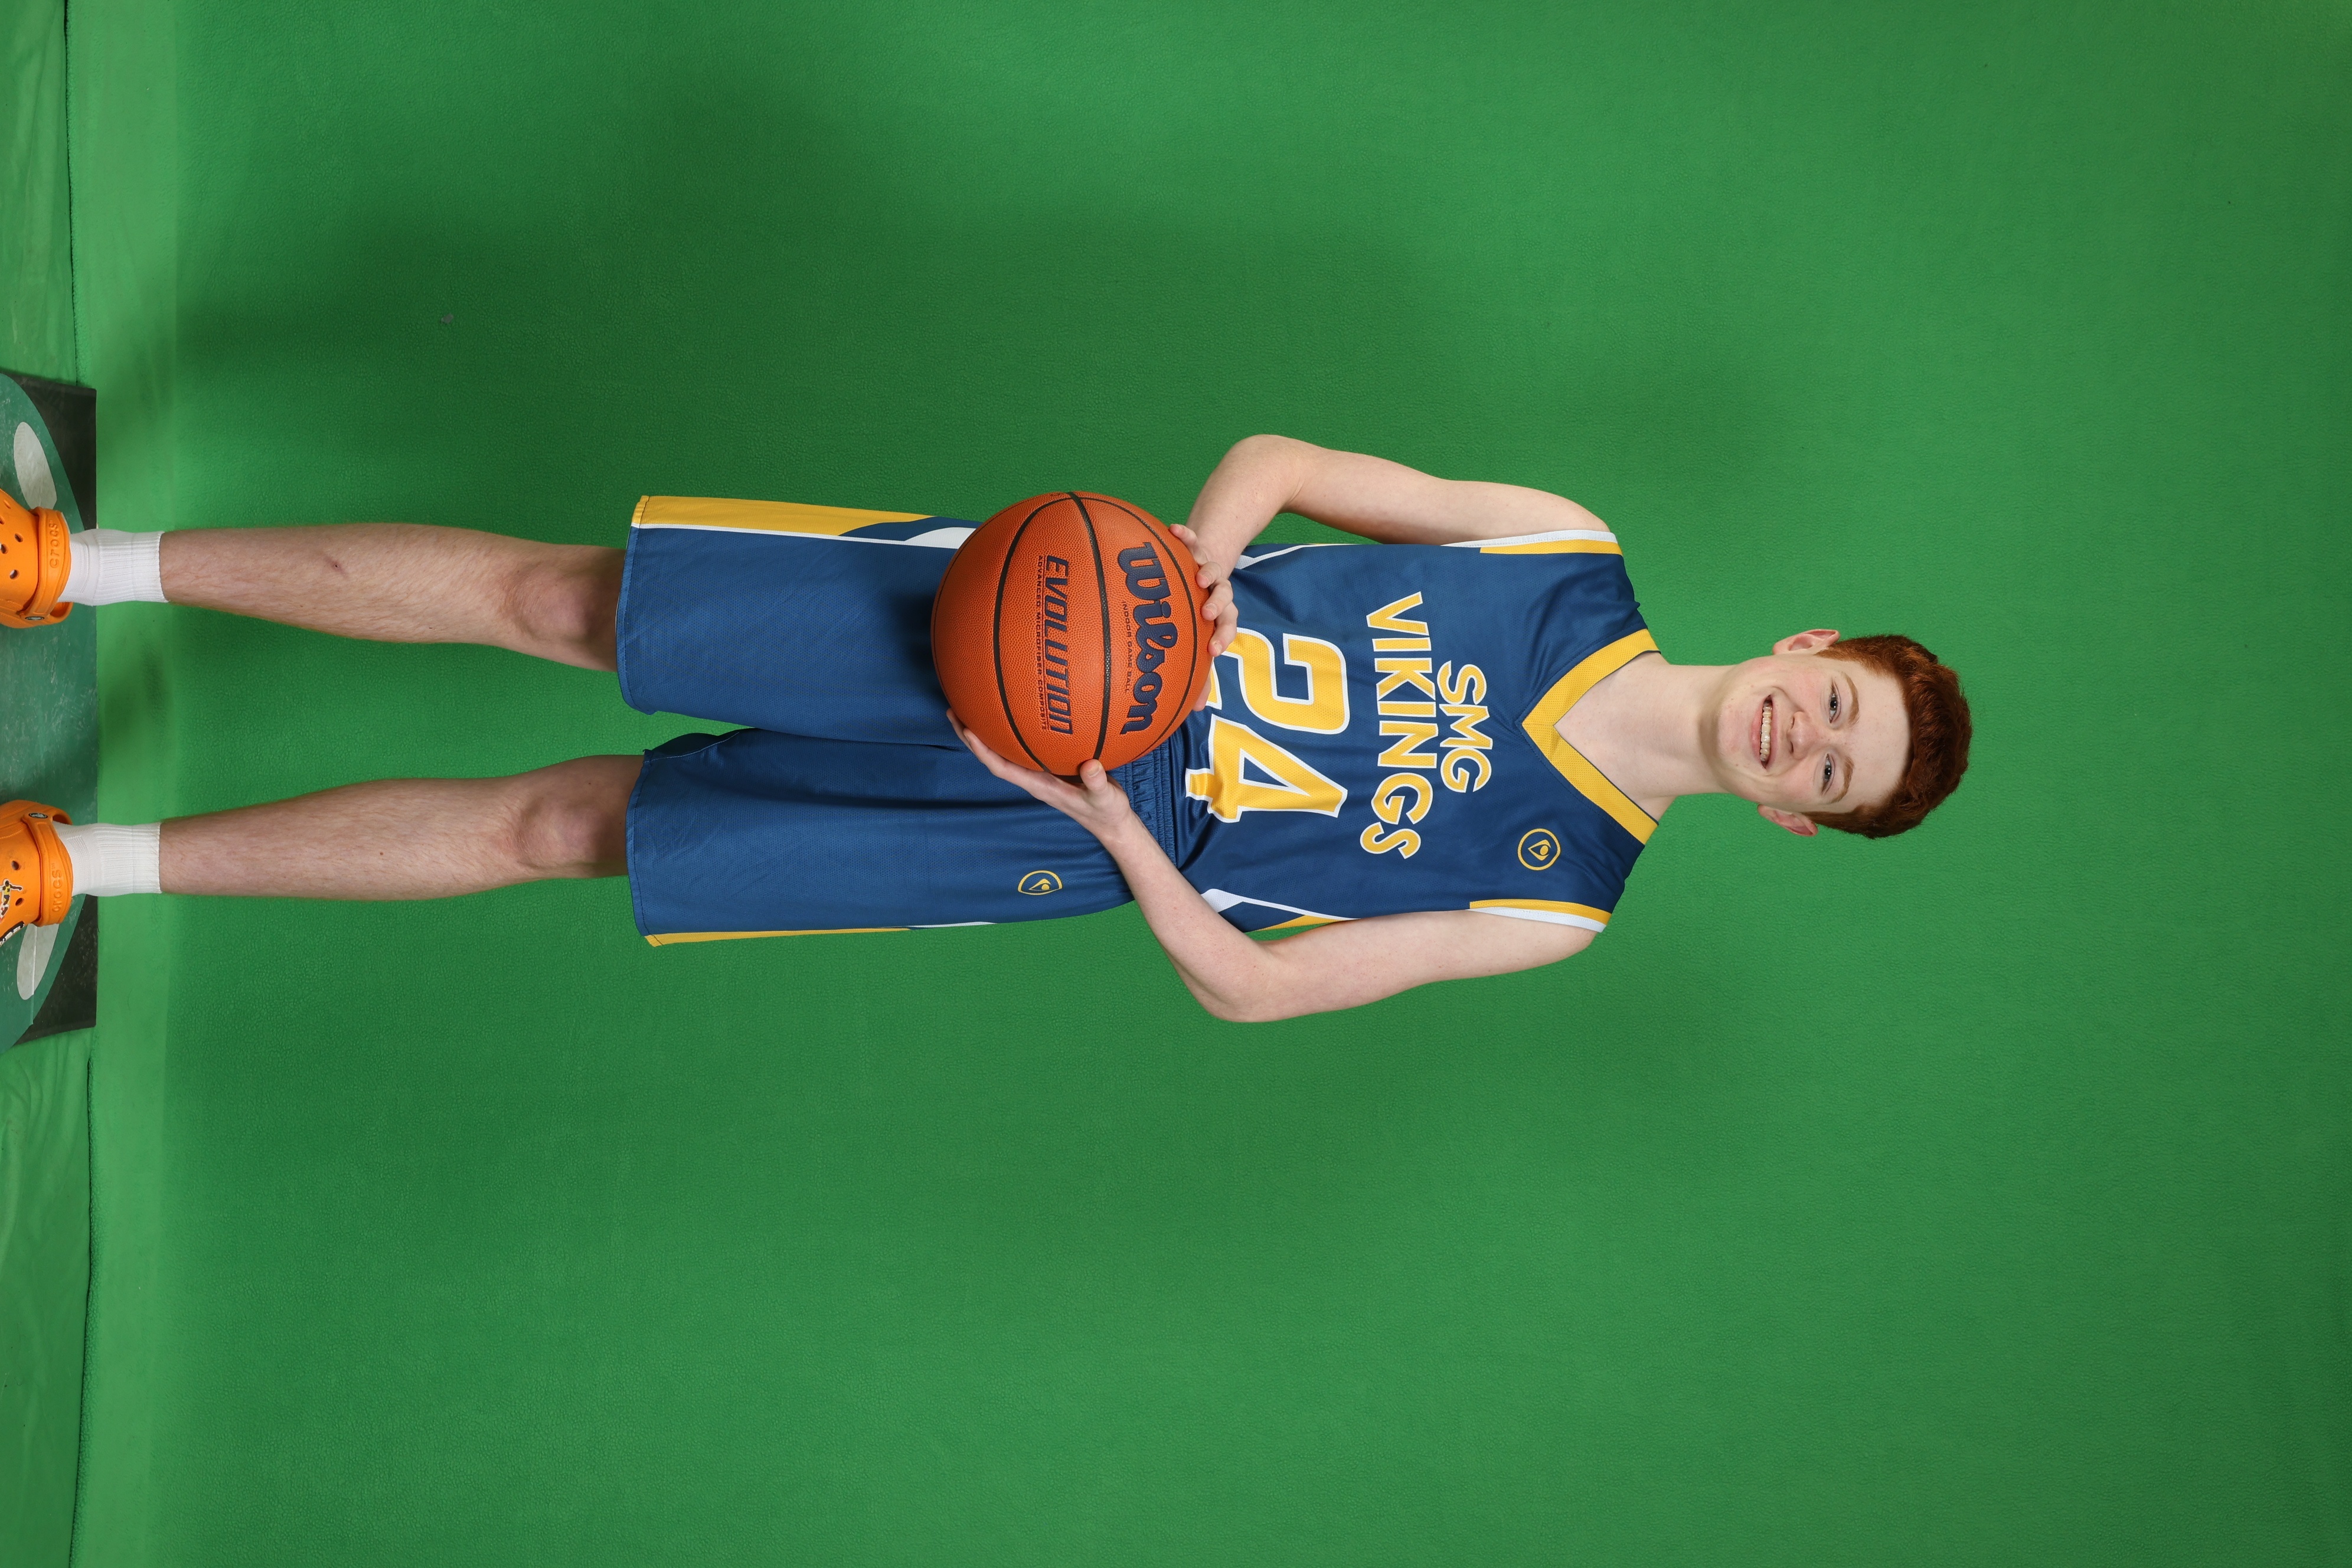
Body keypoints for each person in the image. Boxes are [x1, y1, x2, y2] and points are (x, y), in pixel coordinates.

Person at [0, 435, 1969, 1020]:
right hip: (1037, 628)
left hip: (1037, 836)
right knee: (564, 602)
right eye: (1836, 703)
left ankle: (77, 867)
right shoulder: (1561, 549)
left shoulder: (1561, 902)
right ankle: (76, 563)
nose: (1801, 735)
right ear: (1810, 645)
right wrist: (1198, 574)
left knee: (566, 833)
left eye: (1831, 770)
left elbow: (1256, 988)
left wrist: (1120, 832)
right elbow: (1279, 459)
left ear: (1797, 822)